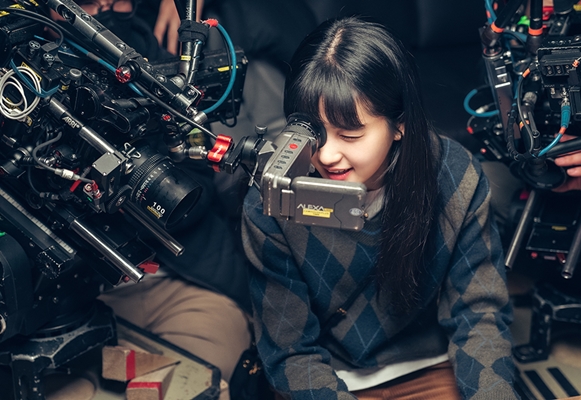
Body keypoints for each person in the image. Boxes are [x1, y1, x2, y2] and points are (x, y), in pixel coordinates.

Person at [242, 17, 520, 399]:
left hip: (432, 364)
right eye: (313, 133)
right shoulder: (273, 198)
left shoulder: (456, 177)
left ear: (399, 124)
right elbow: (290, 352)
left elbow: (480, 315)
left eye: (350, 134)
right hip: (325, 377)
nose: (327, 155)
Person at [46, 2, 253, 399]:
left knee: (196, 386)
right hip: (69, 309)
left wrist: (123, 163)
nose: (111, 7)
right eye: (89, 3)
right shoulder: (18, 81)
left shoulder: (143, 52)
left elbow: (194, 192)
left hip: (182, 286)